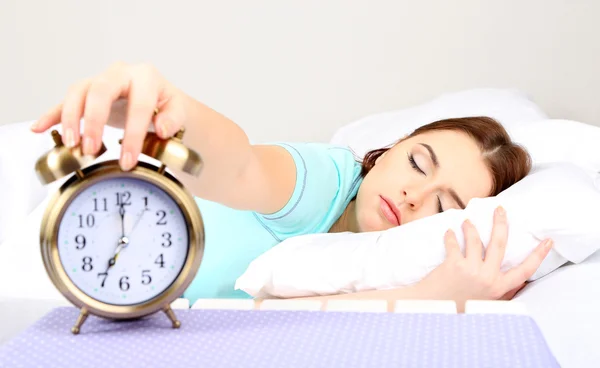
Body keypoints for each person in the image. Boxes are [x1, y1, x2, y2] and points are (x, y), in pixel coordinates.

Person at [30, 62, 553, 312]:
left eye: (442, 205)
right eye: (418, 163)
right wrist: (173, 108)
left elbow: (292, 322)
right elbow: (242, 167)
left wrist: (435, 295)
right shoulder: (327, 180)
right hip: (83, 242)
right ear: (389, 149)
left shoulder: (396, 259)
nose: (416, 196)